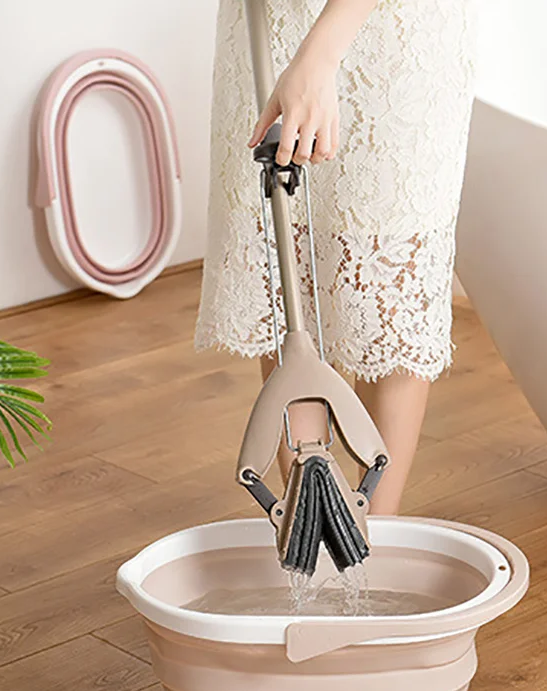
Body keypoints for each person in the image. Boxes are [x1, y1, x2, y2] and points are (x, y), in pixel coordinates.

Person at [196, 0, 478, 514]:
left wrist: (320, 56)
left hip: (389, 36)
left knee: (386, 289)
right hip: (273, 26)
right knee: (289, 263)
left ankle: (376, 533)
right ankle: (307, 528)